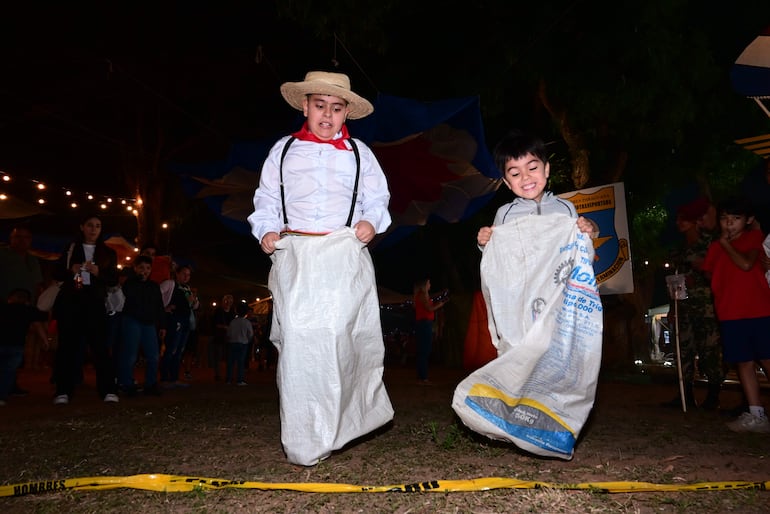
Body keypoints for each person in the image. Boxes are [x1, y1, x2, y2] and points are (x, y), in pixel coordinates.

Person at [247, 70, 394, 466]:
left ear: (347, 112)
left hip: (342, 254)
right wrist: (266, 230)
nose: (327, 115)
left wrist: (371, 222)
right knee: (296, 342)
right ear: (306, 106)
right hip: (295, 254)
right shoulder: (284, 150)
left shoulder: (361, 153)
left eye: (336, 107)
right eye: (319, 105)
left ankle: (336, 425)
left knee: (335, 339)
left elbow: (377, 200)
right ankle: (303, 437)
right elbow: (265, 201)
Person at [702, 197, 770, 433]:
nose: (729, 224)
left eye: (736, 219)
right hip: (730, 313)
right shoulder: (714, 248)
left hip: (759, 310)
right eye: (724, 218)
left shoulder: (753, 238)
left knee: (767, 359)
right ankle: (756, 414)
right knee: (743, 362)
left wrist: (727, 245)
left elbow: (746, 265)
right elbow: (710, 275)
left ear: (749, 220)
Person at [476, 130, 597, 249]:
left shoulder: (566, 207)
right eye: (515, 174)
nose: (525, 176)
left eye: (532, 168)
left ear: (546, 170)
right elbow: (497, 251)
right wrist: (485, 242)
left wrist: (587, 231)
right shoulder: (504, 214)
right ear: (507, 183)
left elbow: (579, 246)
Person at [662, 197, 723, 410]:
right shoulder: (677, 250)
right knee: (683, 350)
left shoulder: (711, 243)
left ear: (696, 221)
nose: (680, 223)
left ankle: (713, 397)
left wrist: (700, 270)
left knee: (710, 351)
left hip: (707, 307)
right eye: (678, 219)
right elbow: (673, 282)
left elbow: (719, 273)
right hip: (683, 307)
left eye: (685, 219)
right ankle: (685, 395)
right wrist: (672, 308)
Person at [51, 214, 119, 405]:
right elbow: (56, 273)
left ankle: (107, 390)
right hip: (72, 302)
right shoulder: (71, 248)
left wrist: (99, 272)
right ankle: (63, 390)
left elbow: (113, 279)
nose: (93, 229)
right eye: (90, 225)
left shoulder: (108, 252)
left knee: (101, 349)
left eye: (98, 226)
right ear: (82, 227)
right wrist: (70, 271)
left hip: (95, 304)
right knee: (67, 348)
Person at [0, 224, 45, 395]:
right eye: (18, 237)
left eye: (26, 237)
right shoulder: (3, 255)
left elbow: (37, 284)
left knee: (17, 346)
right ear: (11, 238)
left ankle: (10, 383)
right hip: (4, 307)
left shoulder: (31, 259)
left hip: (23, 310)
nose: (22, 241)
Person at [118, 255, 166, 396]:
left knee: (154, 355)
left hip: (149, 323)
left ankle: (150, 384)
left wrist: (163, 325)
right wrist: (135, 279)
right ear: (135, 268)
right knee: (130, 355)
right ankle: (126, 384)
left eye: (147, 268)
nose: (144, 271)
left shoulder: (154, 286)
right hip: (132, 320)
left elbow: (159, 306)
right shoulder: (130, 283)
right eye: (141, 268)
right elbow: (127, 298)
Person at [0, 289, 47, 406]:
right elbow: (38, 323)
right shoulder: (28, 310)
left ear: (11, 298)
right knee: (9, 372)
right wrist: (45, 340)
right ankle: (2, 396)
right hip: (16, 345)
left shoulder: (3, 308)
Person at [160, 264, 199, 386]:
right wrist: (164, 308)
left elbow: (194, 306)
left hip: (185, 321)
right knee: (172, 348)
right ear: (177, 273)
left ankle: (174, 378)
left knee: (180, 350)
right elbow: (156, 295)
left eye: (188, 275)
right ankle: (165, 378)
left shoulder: (187, 288)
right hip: (174, 320)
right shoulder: (170, 284)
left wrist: (194, 300)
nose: (186, 277)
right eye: (184, 274)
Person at [413, 278, 448, 385]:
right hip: (424, 323)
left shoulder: (420, 295)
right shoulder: (423, 295)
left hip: (422, 323)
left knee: (422, 350)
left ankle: (421, 376)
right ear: (424, 285)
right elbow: (429, 309)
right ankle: (423, 377)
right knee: (425, 350)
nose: (430, 285)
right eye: (428, 283)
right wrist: (440, 305)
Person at [225, 301, 253, 386]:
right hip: (243, 343)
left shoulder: (233, 322)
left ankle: (229, 379)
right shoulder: (247, 322)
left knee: (231, 362)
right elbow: (250, 334)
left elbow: (228, 333)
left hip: (232, 343)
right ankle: (239, 380)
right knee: (241, 362)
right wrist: (248, 340)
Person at [209, 294, 235, 381]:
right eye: (226, 301)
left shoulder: (232, 312)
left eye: (230, 301)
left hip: (229, 337)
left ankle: (228, 375)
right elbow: (214, 324)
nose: (228, 303)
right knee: (218, 356)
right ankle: (218, 374)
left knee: (229, 356)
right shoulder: (218, 311)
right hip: (219, 337)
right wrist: (224, 327)